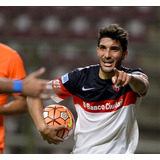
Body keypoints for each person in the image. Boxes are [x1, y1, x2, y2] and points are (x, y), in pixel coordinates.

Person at [27, 24, 149, 154]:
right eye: (103, 48)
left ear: (125, 54)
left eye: (114, 49)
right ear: (97, 50)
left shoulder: (133, 79)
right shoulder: (80, 77)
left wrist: (130, 79)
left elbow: (143, 85)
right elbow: (33, 93)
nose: (107, 55)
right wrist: (42, 127)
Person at [0, 43, 59, 154]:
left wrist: (42, 126)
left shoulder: (9, 56)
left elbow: (24, 101)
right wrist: (20, 86)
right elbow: (25, 88)